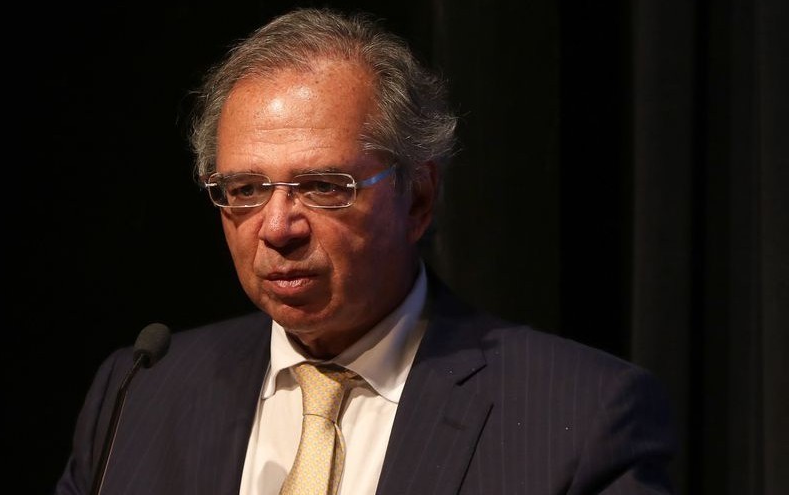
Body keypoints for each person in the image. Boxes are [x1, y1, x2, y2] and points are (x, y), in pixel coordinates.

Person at [55, 7, 675, 495]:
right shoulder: (139, 393)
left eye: (324, 187)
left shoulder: (580, 416)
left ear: (418, 198)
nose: (278, 227)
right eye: (245, 190)